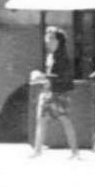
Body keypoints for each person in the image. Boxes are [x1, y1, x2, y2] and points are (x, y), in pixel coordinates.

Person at [31, 27, 80, 159]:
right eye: (48, 37)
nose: (48, 40)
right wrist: (43, 79)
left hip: (59, 93)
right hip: (49, 92)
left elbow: (61, 76)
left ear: (59, 41)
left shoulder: (63, 57)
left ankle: (75, 152)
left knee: (65, 120)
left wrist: (43, 76)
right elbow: (52, 76)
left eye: (52, 38)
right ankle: (37, 150)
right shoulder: (51, 56)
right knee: (42, 120)